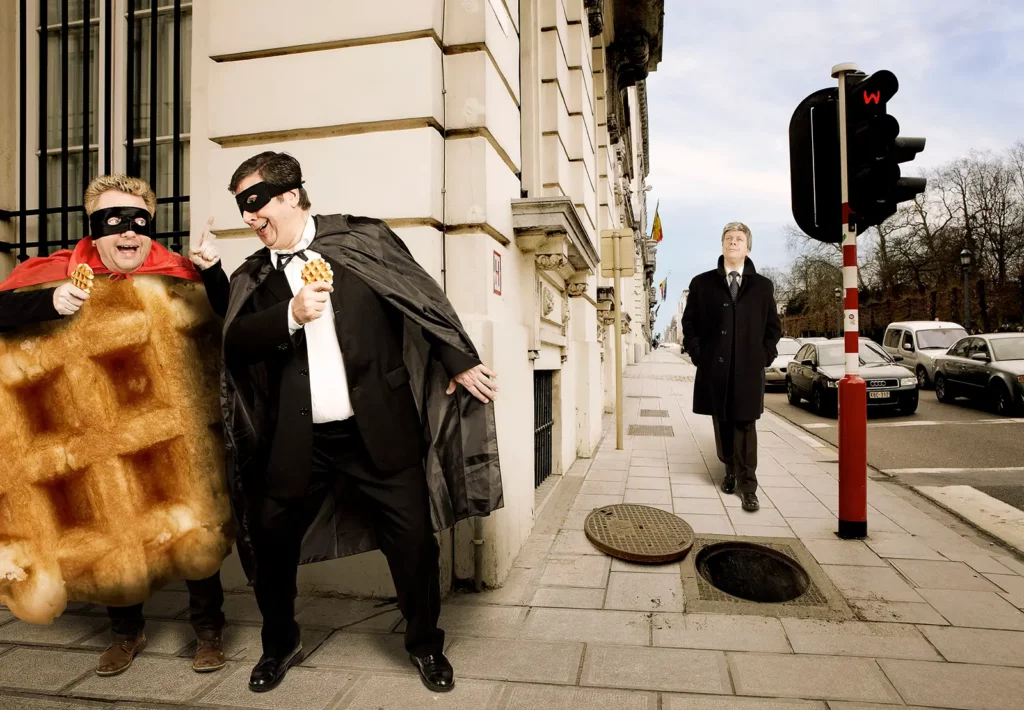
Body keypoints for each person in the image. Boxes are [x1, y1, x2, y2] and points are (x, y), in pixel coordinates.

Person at [220, 152, 504, 694]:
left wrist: (457, 358)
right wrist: (289, 315)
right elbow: (234, 342)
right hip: (298, 440)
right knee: (270, 542)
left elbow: (420, 298)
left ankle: (425, 645)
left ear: (290, 195)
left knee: (415, 545)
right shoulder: (254, 276)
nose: (249, 217)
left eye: (255, 203)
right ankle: (280, 644)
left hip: (378, 427)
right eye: (242, 207)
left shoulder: (363, 240)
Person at [0, 174, 230, 675]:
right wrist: (47, 302)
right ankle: (125, 632)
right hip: (89, 426)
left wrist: (212, 272)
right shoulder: (56, 273)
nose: (128, 233)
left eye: (139, 222)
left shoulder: (175, 272)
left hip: (171, 419)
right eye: (114, 221)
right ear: (93, 227)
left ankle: (208, 630)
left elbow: (225, 317)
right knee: (112, 515)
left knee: (195, 516)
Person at [682, 222, 781, 512]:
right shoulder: (702, 283)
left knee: (745, 424)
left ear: (748, 247)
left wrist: (764, 356)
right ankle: (729, 471)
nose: (733, 242)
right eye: (728, 238)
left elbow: (772, 328)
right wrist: (699, 353)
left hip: (748, 370)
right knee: (722, 420)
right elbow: (690, 324)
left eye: (739, 239)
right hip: (716, 368)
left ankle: (748, 485)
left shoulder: (763, 286)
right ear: (722, 245)